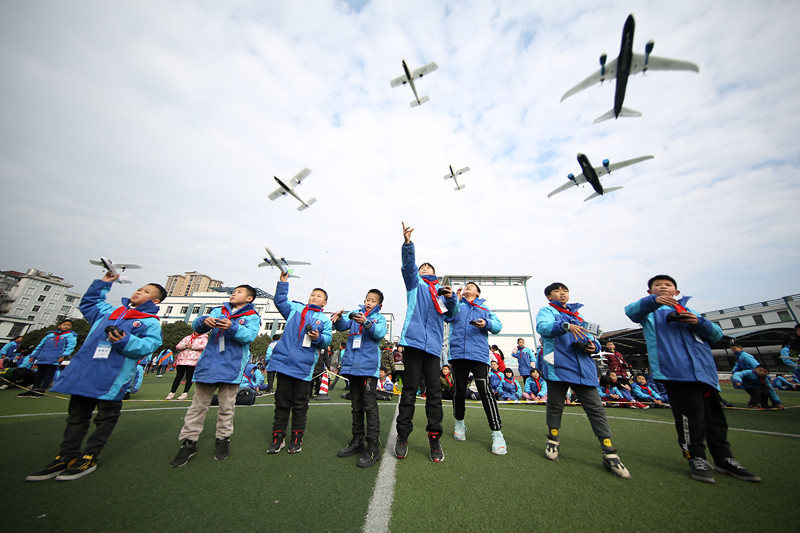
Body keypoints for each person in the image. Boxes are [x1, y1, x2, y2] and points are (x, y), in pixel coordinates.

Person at [26, 272, 164, 481]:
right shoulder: (110, 312)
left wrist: (124, 340)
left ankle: (90, 455)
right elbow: (90, 302)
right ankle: (66, 455)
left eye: (146, 291)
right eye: (139, 288)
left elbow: (149, 346)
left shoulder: (150, 322)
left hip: (112, 377)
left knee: (106, 417)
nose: (139, 292)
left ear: (155, 301)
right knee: (76, 416)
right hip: (86, 373)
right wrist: (104, 283)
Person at [625, 274, 761, 483]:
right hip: (676, 373)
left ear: (676, 292)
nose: (663, 287)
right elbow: (631, 311)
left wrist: (698, 322)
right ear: (649, 292)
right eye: (657, 286)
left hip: (705, 374)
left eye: (668, 285)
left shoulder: (692, 312)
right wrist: (653, 302)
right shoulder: (650, 313)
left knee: (715, 418)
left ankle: (724, 458)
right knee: (690, 417)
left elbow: (716, 335)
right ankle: (696, 457)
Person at [537, 282, 630, 479]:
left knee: (596, 409)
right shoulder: (546, 311)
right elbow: (543, 328)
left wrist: (593, 347)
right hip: (559, 366)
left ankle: (609, 451)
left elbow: (595, 339)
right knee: (555, 406)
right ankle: (552, 439)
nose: (562, 293)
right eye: (557, 291)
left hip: (584, 369)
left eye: (565, 290)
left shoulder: (578, 316)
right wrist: (565, 326)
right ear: (549, 296)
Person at [170, 285, 261, 467]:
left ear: (249, 299)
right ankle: (189, 442)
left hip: (231, 367)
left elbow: (249, 337)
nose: (234, 293)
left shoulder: (252, 316)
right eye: (234, 291)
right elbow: (197, 327)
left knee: (226, 407)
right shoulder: (217, 310)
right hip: (208, 366)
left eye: (240, 292)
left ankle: (223, 439)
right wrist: (205, 321)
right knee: (197, 406)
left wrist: (233, 327)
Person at [395, 222, 459, 463]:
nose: (424, 268)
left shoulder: (442, 292)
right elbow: (408, 266)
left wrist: (452, 299)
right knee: (409, 391)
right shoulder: (414, 284)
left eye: (428, 267)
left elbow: (452, 316)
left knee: (434, 393)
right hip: (412, 344)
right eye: (422, 267)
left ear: (435, 272)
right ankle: (402, 437)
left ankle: (434, 438)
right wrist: (408, 243)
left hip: (433, 348)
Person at [266, 271, 332, 454]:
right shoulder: (295, 309)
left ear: (324, 303)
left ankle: (296, 437)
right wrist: (283, 282)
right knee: (281, 403)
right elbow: (279, 301)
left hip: (304, 369)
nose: (314, 297)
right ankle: (278, 437)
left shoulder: (325, 320)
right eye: (312, 294)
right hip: (284, 365)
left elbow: (327, 340)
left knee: (301, 405)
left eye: (318, 296)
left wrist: (318, 337)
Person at [332, 289, 388, 468]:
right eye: (367, 299)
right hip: (352, 367)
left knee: (369, 406)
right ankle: (357, 440)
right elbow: (341, 327)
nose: (368, 302)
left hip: (369, 369)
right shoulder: (355, 316)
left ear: (379, 305)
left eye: (372, 300)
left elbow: (379, 333)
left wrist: (367, 323)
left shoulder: (379, 318)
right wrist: (339, 318)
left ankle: (373, 446)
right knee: (356, 405)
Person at [19, 319, 78, 397]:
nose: (67, 326)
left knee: (49, 374)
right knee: (39, 374)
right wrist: (33, 355)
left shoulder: (70, 335)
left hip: (55, 358)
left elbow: (70, 346)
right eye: (65, 324)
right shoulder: (50, 335)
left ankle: (42, 390)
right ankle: (34, 389)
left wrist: (64, 356)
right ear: (59, 326)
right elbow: (41, 345)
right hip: (43, 357)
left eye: (69, 325)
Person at [166, 332, 208, 400]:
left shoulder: (204, 338)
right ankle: (172, 392)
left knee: (189, 377)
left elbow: (204, 347)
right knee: (178, 376)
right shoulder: (187, 337)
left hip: (193, 360)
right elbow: (178, 346)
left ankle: (185, 393)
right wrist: (184, 345)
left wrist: (192, 346)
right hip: (182, 360)